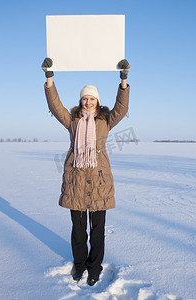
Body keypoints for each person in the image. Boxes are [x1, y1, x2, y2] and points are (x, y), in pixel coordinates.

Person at [42, 57, 130, 286]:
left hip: (100, 181)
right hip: (76, 180)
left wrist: (123, 81)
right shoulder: (72, 121)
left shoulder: (105, 121)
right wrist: (49, 79)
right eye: (84, 98)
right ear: (80, 101)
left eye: (92, 98)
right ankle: (79, 266)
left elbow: (121, 109)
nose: (88, 102)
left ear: (97, 101)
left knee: (98, 230)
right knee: (78, 230)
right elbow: (55, 106)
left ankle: (94, 268)